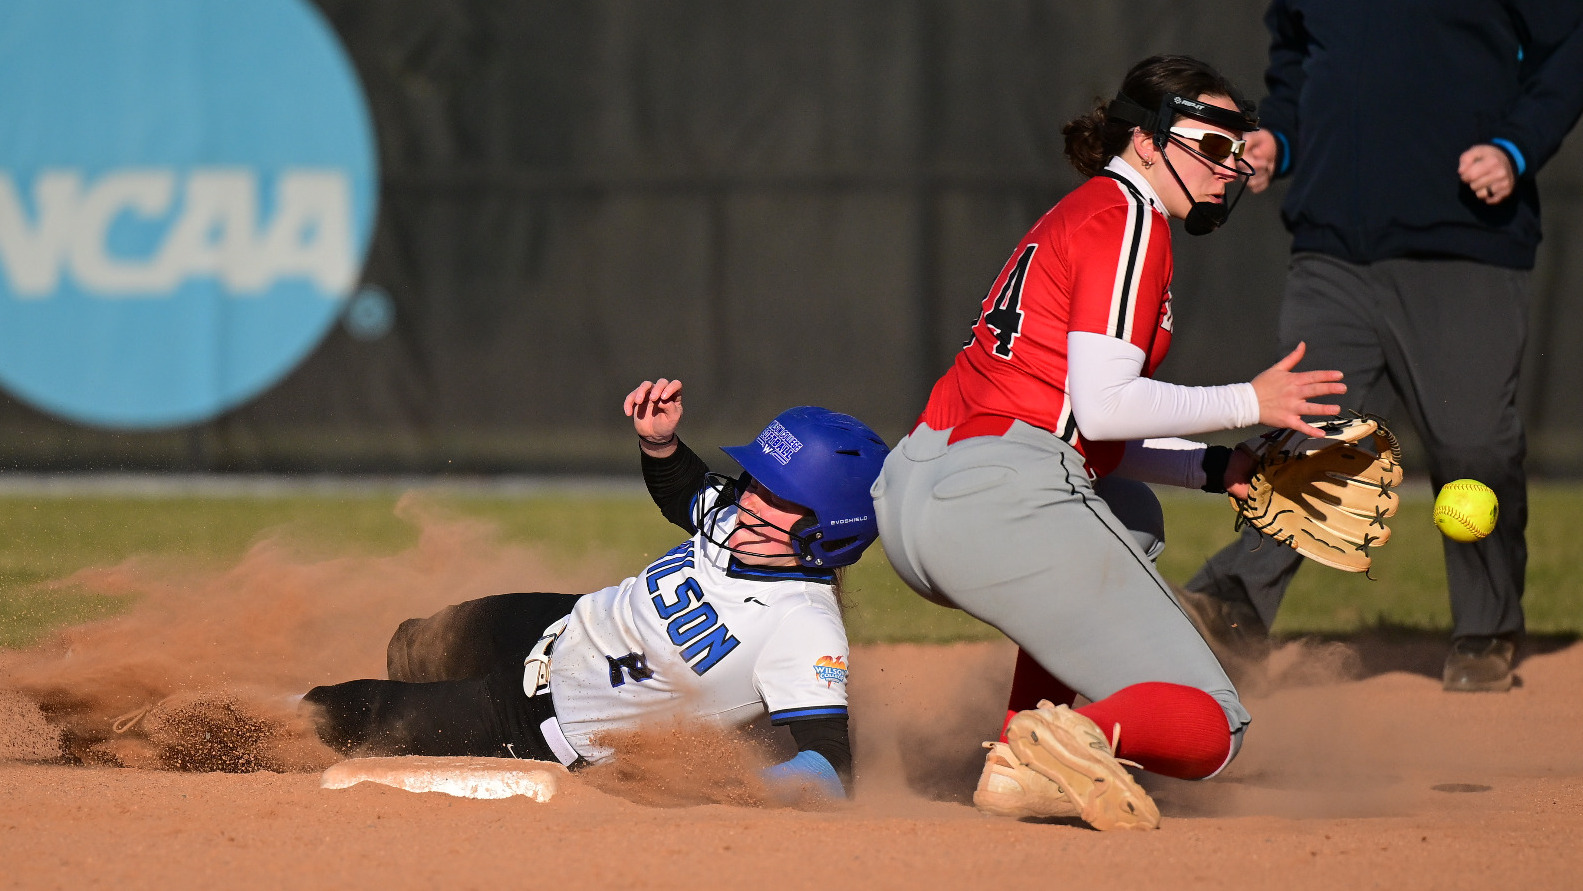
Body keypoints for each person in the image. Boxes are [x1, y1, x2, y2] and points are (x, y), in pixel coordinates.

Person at [870, 55, 1347, 831]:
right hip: (997, 498)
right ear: (1151, 141)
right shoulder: (1130, 220)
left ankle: (1014, 755)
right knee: (1210, 722)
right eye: (1213, 146)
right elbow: (1103, 408)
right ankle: (1063, 738)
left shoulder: (1083, 211)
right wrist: (1249, 401)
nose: (1230, 168)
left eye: (1238, 150)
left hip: (923, 491)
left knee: (1127, 511)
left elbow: (1066, 423)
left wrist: (1214, 465)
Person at [1178, 1, 1583, 694]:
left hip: (1464, 241)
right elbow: (1297, 64)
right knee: (1307, 427)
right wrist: (1279, 135)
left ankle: (1485, 626)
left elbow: (1570, 48)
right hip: (1332, 243)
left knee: (1473, 445)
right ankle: (1234, 602)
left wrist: (1516, 146)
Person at [303, 378, 890, 802]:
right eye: (756, 481)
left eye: (779, 496)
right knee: (416, 643)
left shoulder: (803, 625)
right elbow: (686, 493)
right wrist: (660, 444)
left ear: (829, 531)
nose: (750, 502)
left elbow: (831, 770)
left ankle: (227, 730)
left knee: (348, 712)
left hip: (537, 722)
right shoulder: (740, 521)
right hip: (556, 623)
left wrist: (724, 786)